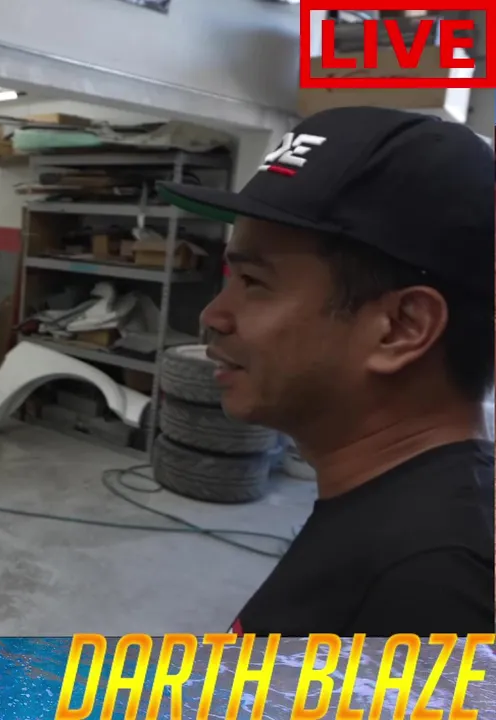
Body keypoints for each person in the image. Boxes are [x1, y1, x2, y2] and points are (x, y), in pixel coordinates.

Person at [156, 106, 495, 636]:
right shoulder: (398, 518)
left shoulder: (434, 588)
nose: (213, 316)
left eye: (255, 282)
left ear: (401, 328)